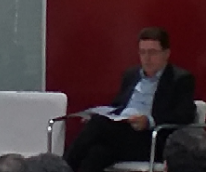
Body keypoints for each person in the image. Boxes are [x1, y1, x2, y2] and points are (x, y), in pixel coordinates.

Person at [64, 27, 196, 172]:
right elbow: (118, 105)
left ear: (166, 53)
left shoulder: (180, 79)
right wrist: (103, 114)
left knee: (97, 125)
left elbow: (185, 115)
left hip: (152, 140)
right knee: (97, 153)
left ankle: (60, 168)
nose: (147, 58)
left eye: (152, 52)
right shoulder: (131, 75)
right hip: (123, 134)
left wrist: (149, 121)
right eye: (142, 52)